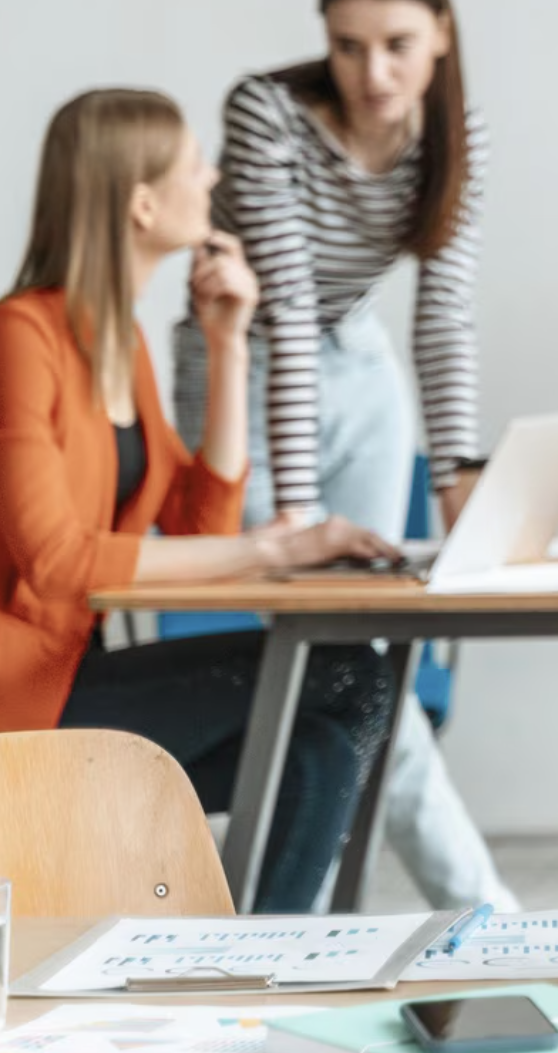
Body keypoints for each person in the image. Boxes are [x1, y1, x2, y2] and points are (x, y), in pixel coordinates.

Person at [172, 0, 517, 911]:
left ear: (441, 34)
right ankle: (478, 911)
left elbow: (443, 314)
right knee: (333, 643)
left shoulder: (455, 135)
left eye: (398, 45)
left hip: (361, 362)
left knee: (363, 643)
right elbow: (282, 308)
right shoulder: (267, 112)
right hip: (241, 365)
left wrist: (458, 474)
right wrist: (300, 519)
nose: (374, 74)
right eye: (349, 46)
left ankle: (325, 919)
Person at [0, 88, 399, 913]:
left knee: (319, 747)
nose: (212, 178)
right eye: (194, 164)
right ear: (143, 204)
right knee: (346, 672)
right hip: (21, 696)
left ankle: (262, 967)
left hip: (74, 676)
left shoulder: (119, 341)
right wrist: (272, 548)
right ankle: (260, 960)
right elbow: (56, 561)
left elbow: (196, 522)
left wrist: (227, 344)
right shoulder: (21, 339)